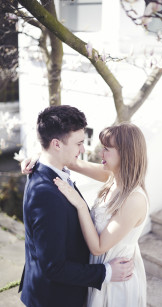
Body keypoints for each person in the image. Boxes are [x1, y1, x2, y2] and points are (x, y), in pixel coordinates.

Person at [19, 105, 134, 307]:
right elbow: (53, 267)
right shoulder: (47, 194)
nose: (83, 149)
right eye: (79, 143)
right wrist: (106, 272)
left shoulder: (48, 169)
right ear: (56, 144)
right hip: (55, 298)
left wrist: (39, 154)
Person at [53, 122, 149, 307]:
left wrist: (80, 204)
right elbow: (72, 162)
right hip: (99, 272)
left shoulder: (134, 199)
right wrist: (38, 158)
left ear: (125, 153)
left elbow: (98, 247)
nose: (100, 153)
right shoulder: (112, 176)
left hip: (116, 281)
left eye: (106, 149)